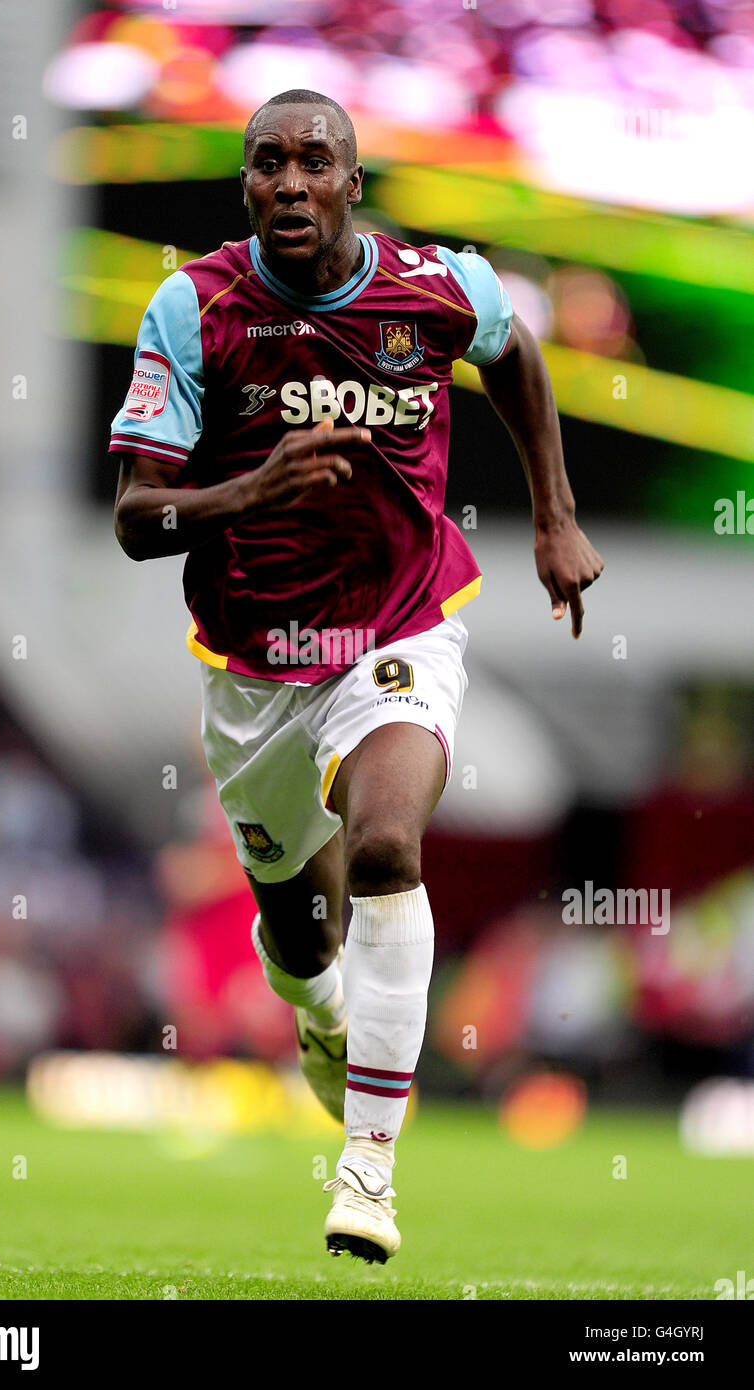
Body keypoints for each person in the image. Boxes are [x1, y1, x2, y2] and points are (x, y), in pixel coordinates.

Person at [111, 88, 604, 1263]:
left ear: (351, 184)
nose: (287, 182)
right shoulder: (193, 308)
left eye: (311, 162)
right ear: (245, 187)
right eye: (265, 164)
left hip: (398, 626)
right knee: (298, 941)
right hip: (256, 671)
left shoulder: (434, 290)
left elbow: (516, 351)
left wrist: (552, 516)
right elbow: (135, 519)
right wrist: (248, 492)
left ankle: (368, 1174)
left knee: (386, 845)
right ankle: (323, 1017)